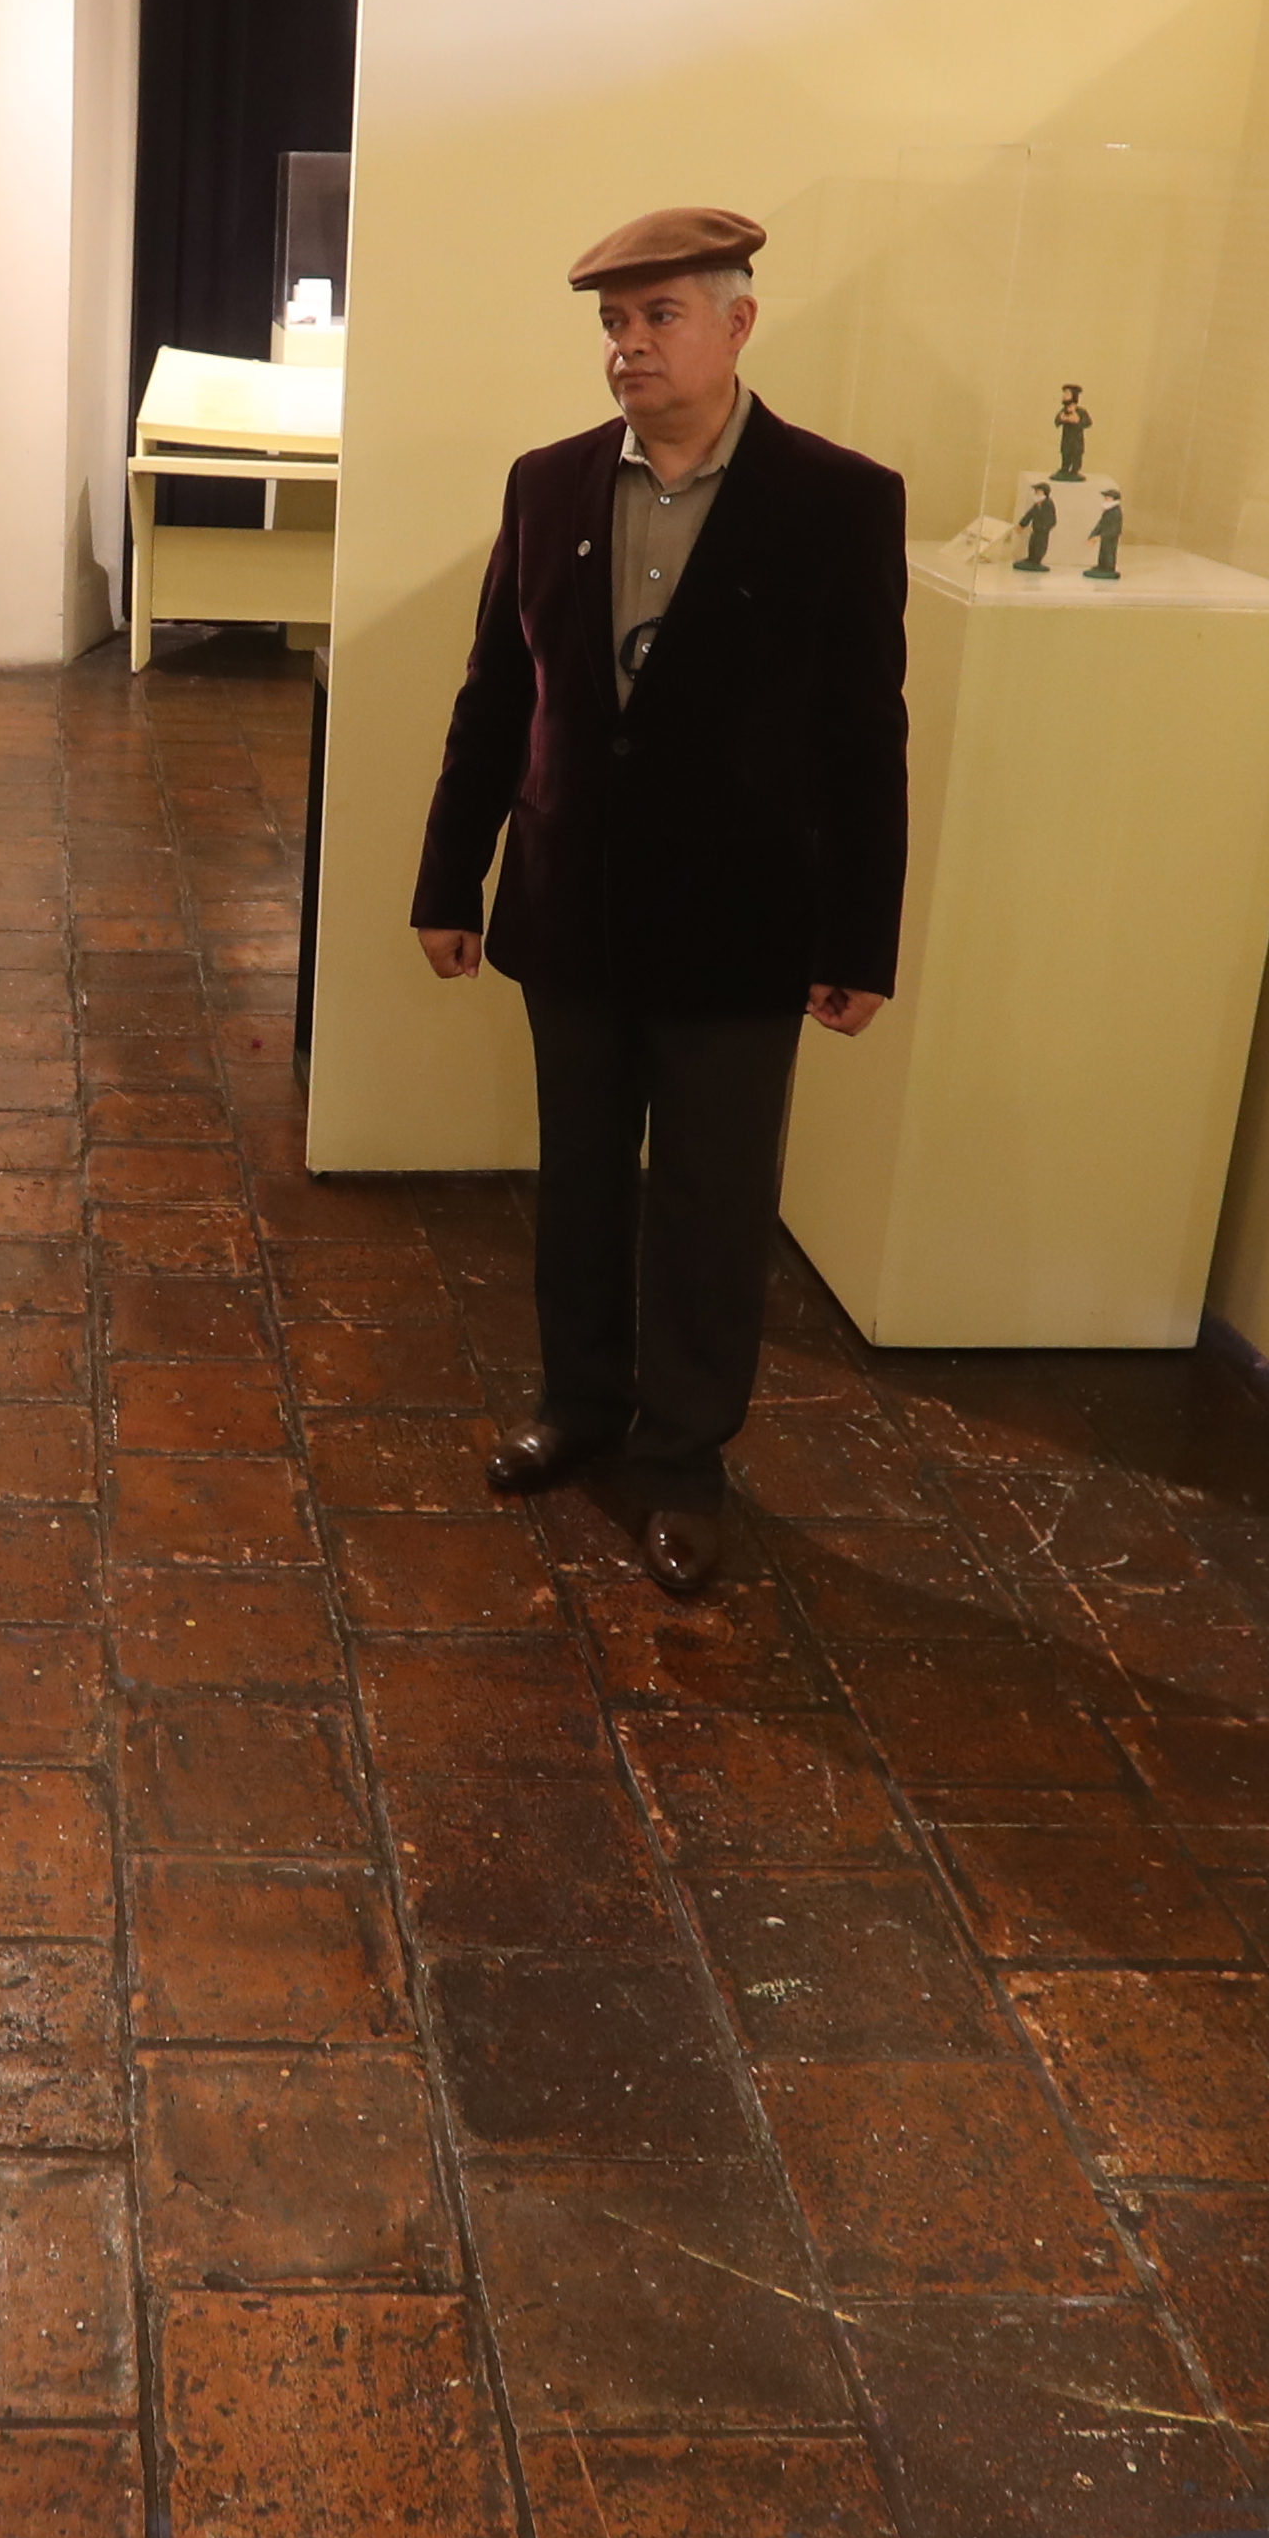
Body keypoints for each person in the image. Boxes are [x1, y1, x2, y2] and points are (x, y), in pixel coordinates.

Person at [410, 206, 909, 1596]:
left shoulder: (837, 500)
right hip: (574, 907)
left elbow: (868, 737)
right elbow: (498, 700)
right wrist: (453, 877)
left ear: (738, 324)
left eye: (660, 319)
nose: (630, 350)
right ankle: (578, 1409)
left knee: (710, 1200)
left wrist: (860, 935)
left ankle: (682, 1461)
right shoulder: (550, 484)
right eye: (614, 327)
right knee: (578, 1181)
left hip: (744, 927)